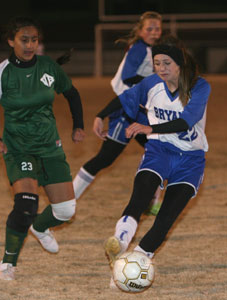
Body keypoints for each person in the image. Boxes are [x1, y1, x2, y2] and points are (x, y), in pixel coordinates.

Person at [93, 35, 211, 282]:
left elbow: (185, 122)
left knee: (165, 218)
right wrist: (100, 115)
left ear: (180, 64)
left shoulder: (199, 87)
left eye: (167, 63)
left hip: (190, 160)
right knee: (141, 195)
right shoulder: (151, 83)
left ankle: (132, 263)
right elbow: (125, 98)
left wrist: (151, 128)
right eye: (157, 63)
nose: (161, 69)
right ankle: (120, 241)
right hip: (159, 150)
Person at [0, 16, 85, 280]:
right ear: (11, 41)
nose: (29, 45)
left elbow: (71, 93)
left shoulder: (48, 66)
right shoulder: (3, 71)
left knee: (65, 211)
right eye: (24, 40)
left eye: (34, 40)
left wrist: (78, 126)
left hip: (49, 146)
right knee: (26, 203)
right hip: (18, 147)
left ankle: (39, 228)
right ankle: (7, 263)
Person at [73, 11, 163, 215]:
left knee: (159, 150)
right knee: (104, 159)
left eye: (157, 28)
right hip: (125, 111)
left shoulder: (151, 49)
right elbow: (128, 77)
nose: (154, 32)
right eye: (149, 28)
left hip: (139, 111)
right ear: (140, 31)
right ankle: (67, 201)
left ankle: (154, 200)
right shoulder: (139, 49)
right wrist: (154, 83)